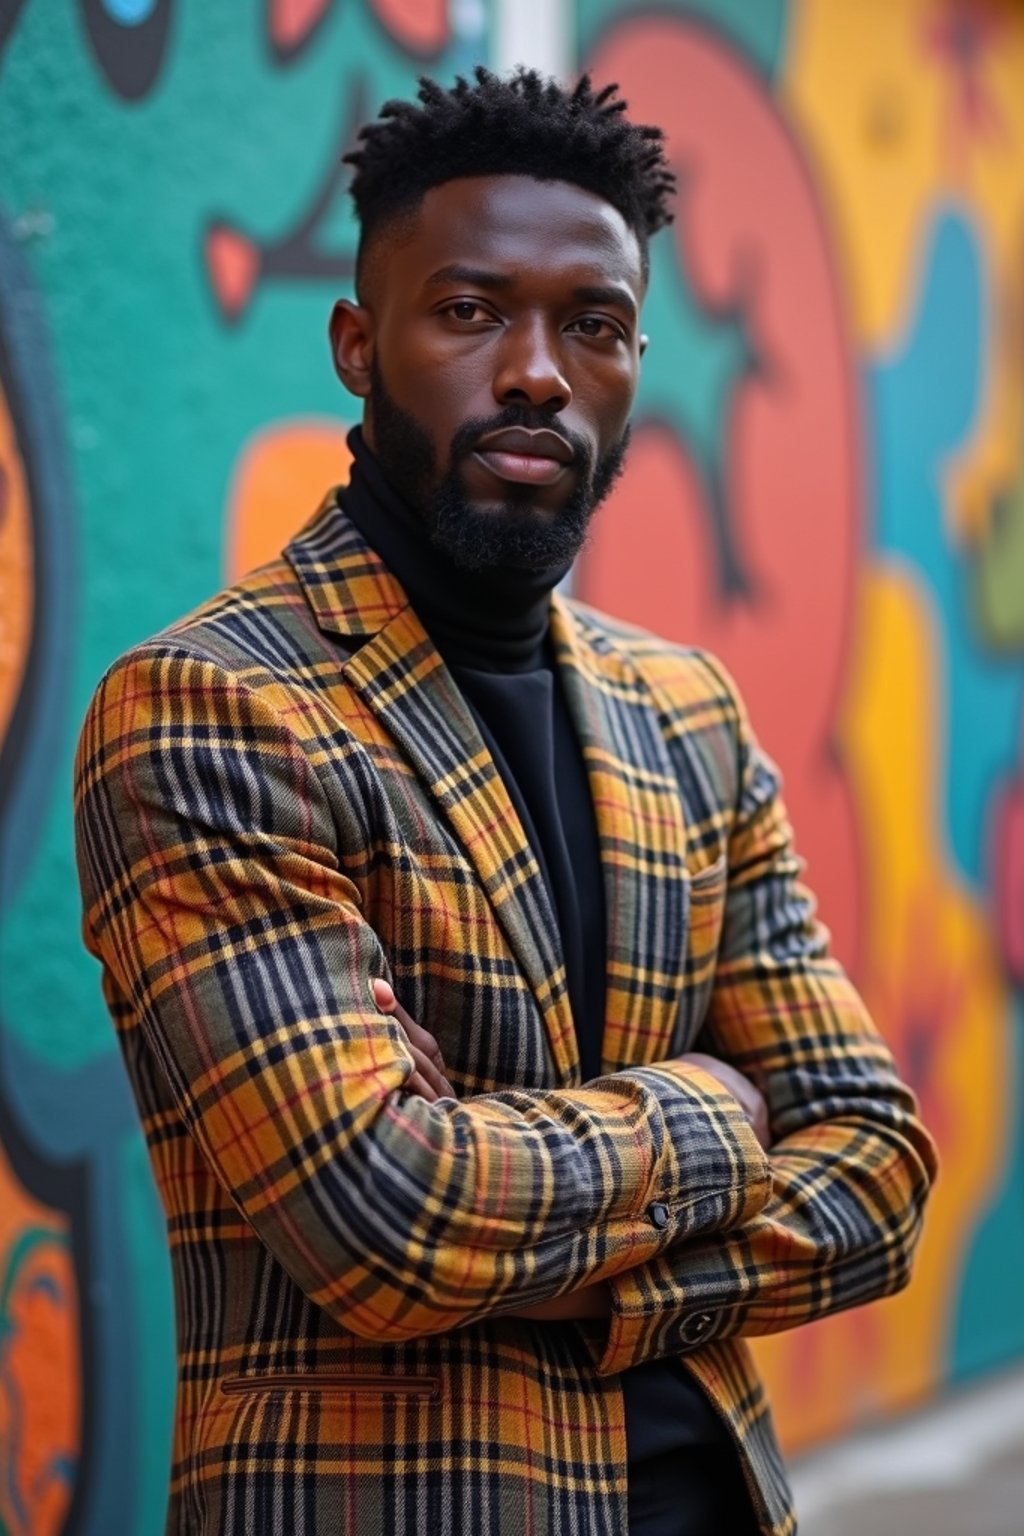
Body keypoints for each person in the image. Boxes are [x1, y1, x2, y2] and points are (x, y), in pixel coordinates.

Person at [74, 68, 937, 1536]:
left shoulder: (691, 718)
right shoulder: (216, 708)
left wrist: (565, 1234)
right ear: (359, 343)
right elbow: (388, 1218)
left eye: (592, 325)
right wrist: (722, 1109)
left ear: (637, 363)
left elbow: (877, 1161)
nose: (537, 371)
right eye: (471, 311)